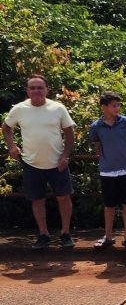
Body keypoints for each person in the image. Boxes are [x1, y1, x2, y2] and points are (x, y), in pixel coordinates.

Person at [2, 74, 76, 249]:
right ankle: (43, 234)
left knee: (64, 198)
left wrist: (65, 156)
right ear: (27, 90)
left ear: (46, 89)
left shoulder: (58, 108)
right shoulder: (19, 109)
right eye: (32, 88)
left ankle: (65, 233)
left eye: (40, 87)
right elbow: (6, 127)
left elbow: (69, 133)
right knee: (37, 200)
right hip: (31, 163)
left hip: (58, 162)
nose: (36, 91)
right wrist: (12, 146)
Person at [89, 91, 126, 249]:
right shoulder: (96, 126)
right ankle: (108, 236)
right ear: (103, 107)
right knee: (109, 205)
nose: (117, 108)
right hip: (107, 171)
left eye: (118, 105)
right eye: (113, 105)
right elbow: (98, 147)